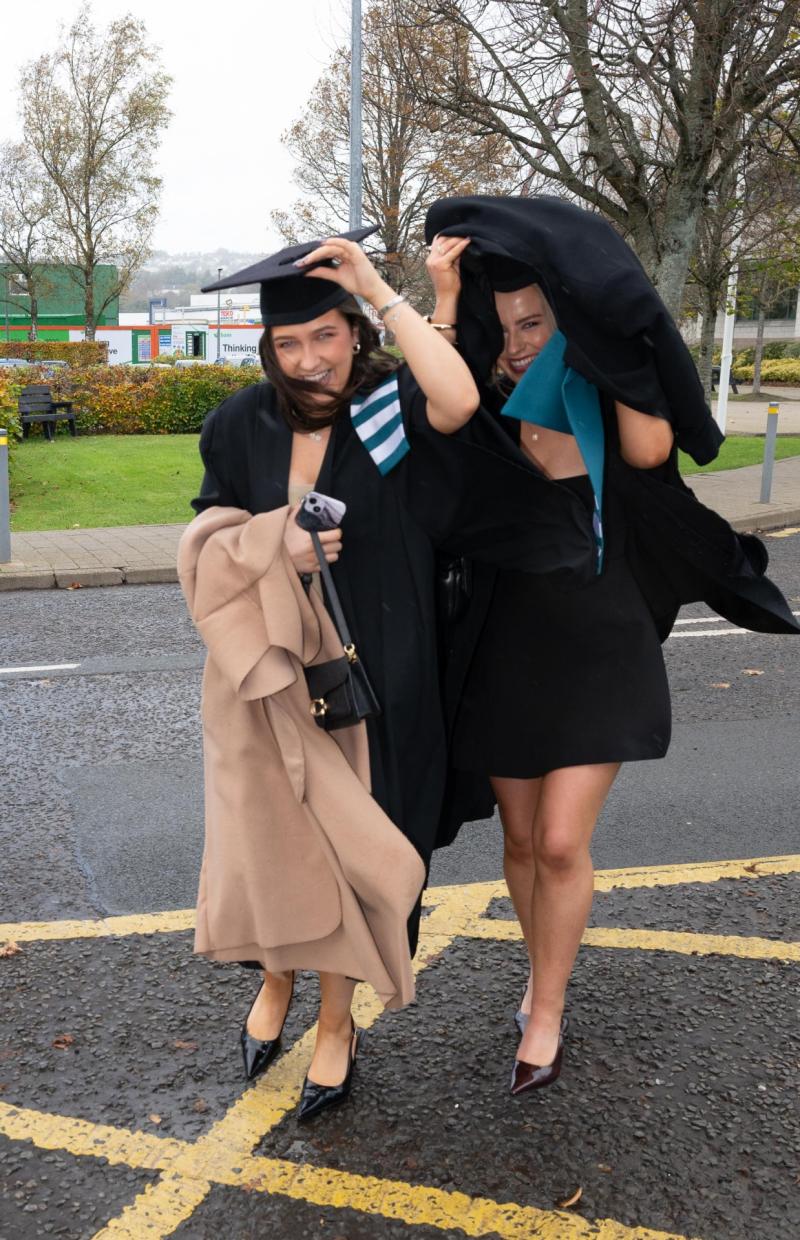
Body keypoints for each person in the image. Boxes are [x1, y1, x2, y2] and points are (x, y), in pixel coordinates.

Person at [422, 194, 799, 1096]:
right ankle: (539, 970)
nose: (518, 343)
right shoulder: (481, 407)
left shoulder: (609, 401)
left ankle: (546, 1009)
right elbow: (425, 425)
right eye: (507, 325)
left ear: (571, 315)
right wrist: (442, 292)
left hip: (602, 643)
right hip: (506, 647)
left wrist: (611, 319)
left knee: (558, 841)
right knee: (518, 840)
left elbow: (649, 442)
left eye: (538, 321)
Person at [181, 226, 485, 1121]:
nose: (309, 358)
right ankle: (275, 977)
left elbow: (462, 400)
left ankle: (337, 1021)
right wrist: (276, 544)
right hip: (277, 671)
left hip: (386, 666)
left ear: (354, 332)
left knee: (362, 843)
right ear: (267, 348)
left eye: (326, 333)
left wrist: (379, 285)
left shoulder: (389, 408)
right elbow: (205, 545)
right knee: (277, 836)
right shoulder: (239, 422)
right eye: (288, 342)